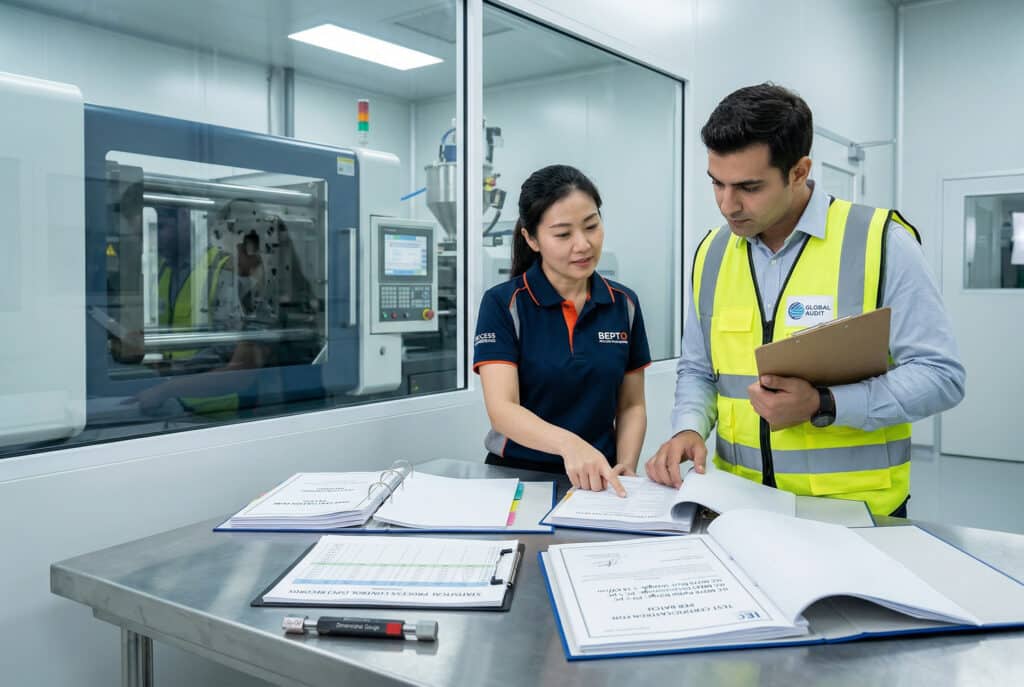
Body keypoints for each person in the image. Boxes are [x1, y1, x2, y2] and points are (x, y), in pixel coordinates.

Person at [646, 83, 965, 517]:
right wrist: (688, 427)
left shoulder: (881, 242)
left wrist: (824, 404)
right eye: (716, 184)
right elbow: (699, 370)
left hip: (856, 516)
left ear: (799, 171)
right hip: (739, 510)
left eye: (749, 187)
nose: (727, 204)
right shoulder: (712, 254)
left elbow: (941, 376)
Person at [473, 165, 652, 495]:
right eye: (563, 234)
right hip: (516, 478)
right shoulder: (504, 304)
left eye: (591, 226)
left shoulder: (623, 304)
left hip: (597, 481)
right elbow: (502, 409)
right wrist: (570, 445)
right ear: (531, 239)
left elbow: (631, 405)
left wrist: (626, 464)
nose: (583, 244)